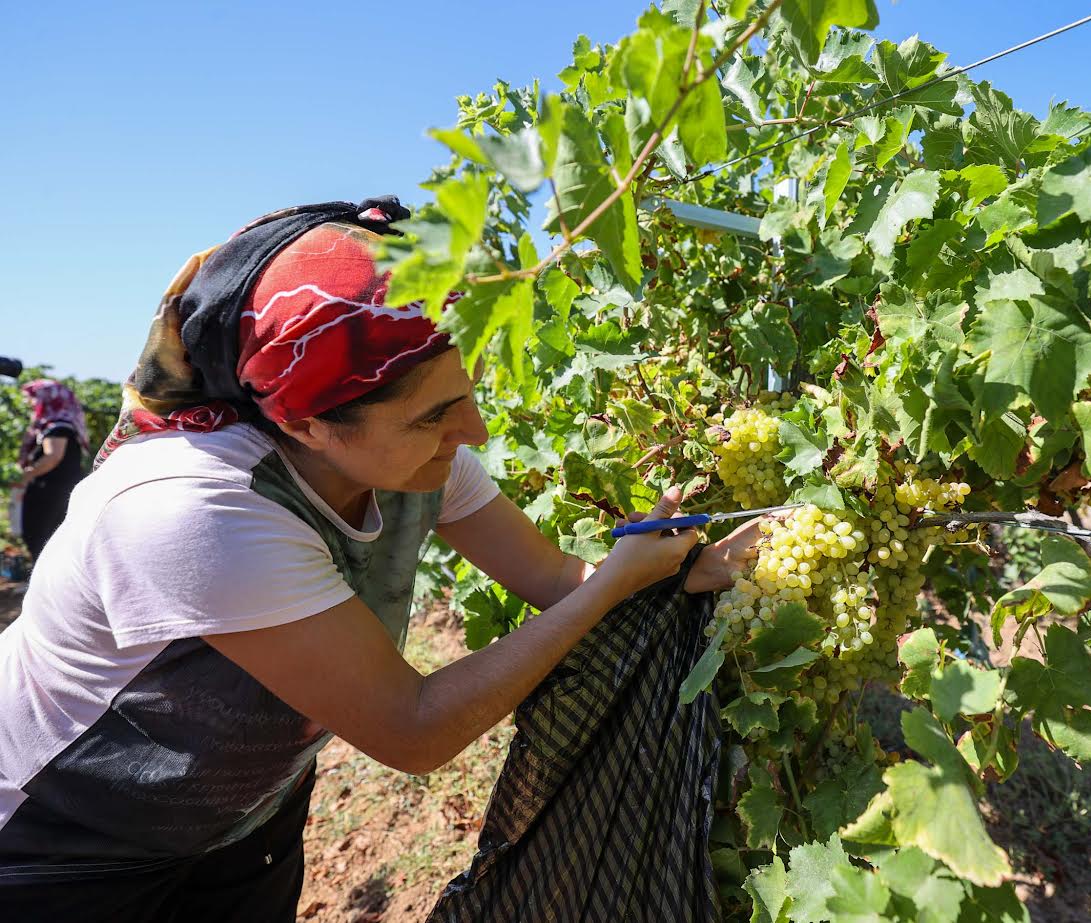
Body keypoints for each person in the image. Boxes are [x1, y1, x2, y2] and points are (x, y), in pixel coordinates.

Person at [0, 197, 763, 922]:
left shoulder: (419, 461)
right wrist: (609, 594)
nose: (475, 430)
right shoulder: (199, 510)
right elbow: (413, 728)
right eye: (434, 413)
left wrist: (672, 572)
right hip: (60, 841)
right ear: (305, 422)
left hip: (234, 820)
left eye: (465, 393)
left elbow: (552, 578)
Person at [12, 379, 89, 559]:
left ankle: (46, 584)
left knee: (39, 535)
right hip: (59, 491)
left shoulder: (58, 426)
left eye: (33, 398)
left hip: (49, 493)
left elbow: (52, 457)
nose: (30, 403)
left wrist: (26, 475)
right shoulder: (61, 424)